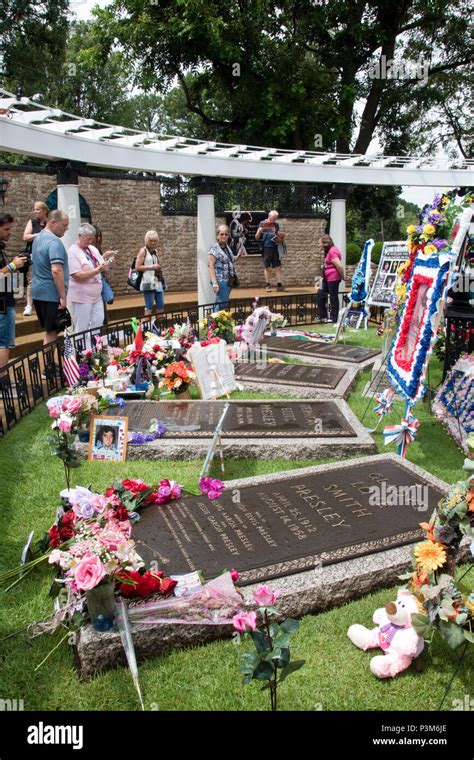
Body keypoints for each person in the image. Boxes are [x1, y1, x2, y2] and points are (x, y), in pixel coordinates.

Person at [31, 209, 69, 346]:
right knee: (52, 331)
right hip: (50, 294)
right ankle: (49, 366)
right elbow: (56, 270)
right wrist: (63, 296)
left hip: (38, 292)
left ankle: (49, 364)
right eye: (64, 225)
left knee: (50, 331)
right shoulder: (54, 242)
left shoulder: (37, 238)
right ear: (53, 222)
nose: (67, 229)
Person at [67, 223, 113, 335]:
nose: (90, 242)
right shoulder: (72, 251)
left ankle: (94, 347)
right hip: (82, 297)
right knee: (82, 326)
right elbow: (77, 275)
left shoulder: (92, 249)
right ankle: (82, 350)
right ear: (79, 236)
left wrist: (108, 265)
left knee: (98, 321)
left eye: (92, 239)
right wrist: (97, 270)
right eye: (88, 239)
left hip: (96, 295)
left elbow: (101, 264)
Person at [0, 213, 27, 373]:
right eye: (6, 229)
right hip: (2, 305)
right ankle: (2, 383)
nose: (9, 232)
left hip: (6, 301)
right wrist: (12, 266)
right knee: (3, 343)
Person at [21, 201, 49, 316]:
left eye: (37, 209)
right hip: (34, 256)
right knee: (32, 281)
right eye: (34, 209)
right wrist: (39, 235)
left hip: (47, 256)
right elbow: (25, 237)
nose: (35, 211)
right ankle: (28, 305)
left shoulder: (50, 223)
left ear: (44, 211)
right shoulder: (32, 222)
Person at [208, 224, 239, 311]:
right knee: (222, 303)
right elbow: (210, 265)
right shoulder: (214, 248)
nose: (224, 236)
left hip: (228, 281)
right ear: (217, 235)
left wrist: (238, 256)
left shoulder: (226, 247)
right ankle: (215, 322)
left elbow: (228, 261)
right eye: (221, 234)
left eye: (226, 234)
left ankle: (215, 322)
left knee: (221, 302)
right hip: (220, 281)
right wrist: (214, 283)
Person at [135, 230, 165, 318]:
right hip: (147, 282)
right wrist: (152, 267)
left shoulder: (155, 251)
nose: (153, 242)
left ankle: (160, 327)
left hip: (157, 281)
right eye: (151, 240)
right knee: (149, 305)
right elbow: (137, 267)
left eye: (155, 240)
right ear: (147, 240)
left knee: (160, 304)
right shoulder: (143, 251)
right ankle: (146, 328)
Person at [316, 234, 345, 323]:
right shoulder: (328, 251)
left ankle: (334, 318)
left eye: (319, 243)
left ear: (325, 243)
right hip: (326, 278)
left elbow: (339, 266)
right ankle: (323, 316)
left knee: (333, 297)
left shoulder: (333, 251)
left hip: (333, 278)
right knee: (320, 294)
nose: (319, 245)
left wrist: (343, 277)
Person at [254, 210, 285, 292]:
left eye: (276, 218)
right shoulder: (262, 223)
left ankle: (279, 284)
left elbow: (277, 236)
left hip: (275, 247)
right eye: (273, 218)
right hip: (266, 248)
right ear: (269, 216)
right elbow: (256, 238)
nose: (275, 220)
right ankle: (267, 285)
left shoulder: (276, 225)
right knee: (266, 267)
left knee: (278, 266)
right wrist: (259, 231)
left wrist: (280, 238)